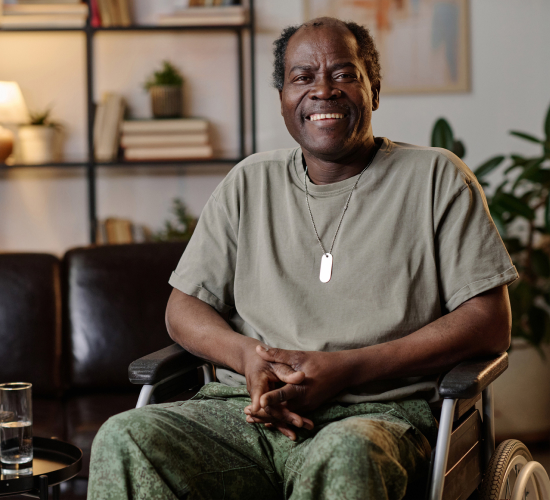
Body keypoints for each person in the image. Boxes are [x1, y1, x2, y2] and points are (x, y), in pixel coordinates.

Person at [88, 17, 517, 500]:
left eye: (343, 74)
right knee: (126, 438)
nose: (323, 91)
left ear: (373, 90)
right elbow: (182, 308)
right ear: (283, 99)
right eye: (302, 77)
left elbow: (488, 322)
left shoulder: (436, 178)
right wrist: (246, 357)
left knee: (347, 455)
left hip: (375, 415)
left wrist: (347, 369)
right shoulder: (249, 183)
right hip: (242, 412)